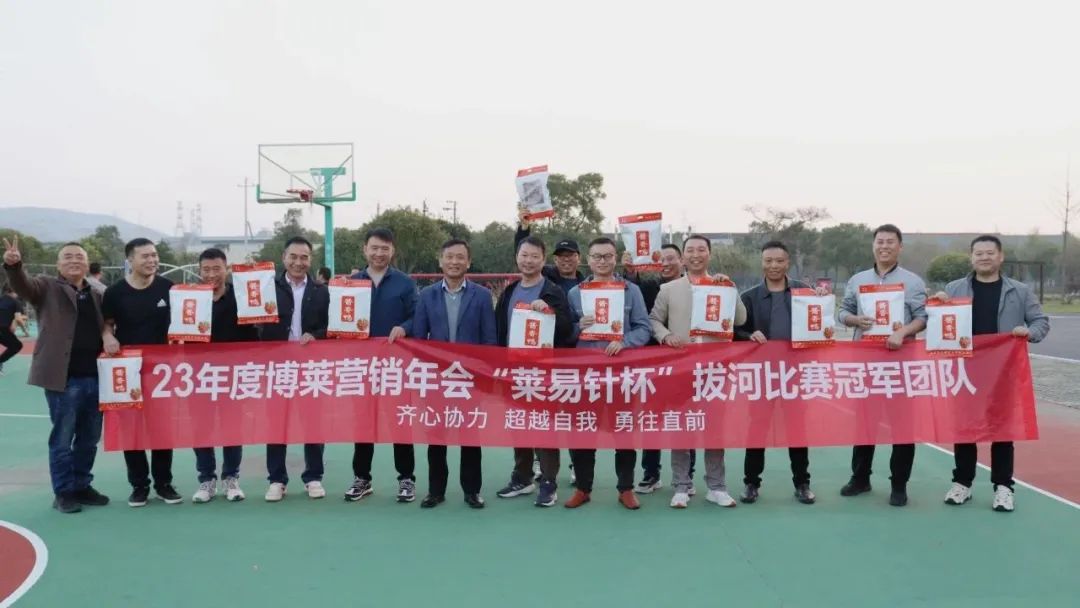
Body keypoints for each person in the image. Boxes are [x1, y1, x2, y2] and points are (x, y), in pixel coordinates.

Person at [937, 235, 1050, 512]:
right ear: (971, 257)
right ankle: (962, 483)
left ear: (1000, 257)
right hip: (965, 370)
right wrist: (937, 306)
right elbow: (938, 325)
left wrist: (1028, 332)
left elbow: (1040, 322)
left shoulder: (1019, 291)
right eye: (979, 253)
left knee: (1002, 430)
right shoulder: (954, 289)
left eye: (990, 253)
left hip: (1003, 371)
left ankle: (1003, 487)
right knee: (965, 429)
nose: (984, 258)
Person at [3, 237, 110, 513]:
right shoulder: (46, 287)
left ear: (87, 263)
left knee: (89, 438)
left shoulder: (97, 293)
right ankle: (63, 492)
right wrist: (14, 266)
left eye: (79, 257)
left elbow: (107, 325)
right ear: (58, 264)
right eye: (68, 257)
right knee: (62, 438)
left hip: (96, 376)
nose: (74, 260)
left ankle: (82, 485)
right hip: (63, 378)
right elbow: (23, 286)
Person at [651, 234, 747, 509]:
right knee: (681, 428)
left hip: (715, 369)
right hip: (681, 369)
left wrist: (730, 289)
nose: (696, 255)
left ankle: (716, 487)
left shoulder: (722, 286)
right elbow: (654, 320)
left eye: (701, 250)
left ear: (709, 254)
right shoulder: (669, 289)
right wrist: (666, 336)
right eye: (690, 250)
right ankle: (681, 486)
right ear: (683, 257)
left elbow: (741, 319)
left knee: (714, 428)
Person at [835, 224, 927, 507]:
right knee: (865, 423)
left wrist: (903, 332)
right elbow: (843, 311)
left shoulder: (913, 282)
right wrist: (854, 320)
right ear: (873, 245)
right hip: (866, 363)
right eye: (880, 242)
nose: (884, 246)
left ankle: (899, 484)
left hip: (900, 364)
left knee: (902, 427)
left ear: (900, 247)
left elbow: (923, 317)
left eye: (890, 242)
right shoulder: (858, 280)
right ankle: (860, 478)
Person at [564, 237, 652, 510]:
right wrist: (578, 326)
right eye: (597, 256)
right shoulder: (575, 293)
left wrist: (625, 341)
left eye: (607, 256)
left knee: (623, 431)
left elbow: (644, 328)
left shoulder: (631, 291)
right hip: (585, 375)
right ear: (587, 260)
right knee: (583, 430)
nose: (602, 261)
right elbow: (564, 333)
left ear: (616, 258)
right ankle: (583, 488)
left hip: (621, 374)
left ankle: (626, 488)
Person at [409, 239, 496, 509]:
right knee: (436, 437)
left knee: (470, 437)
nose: (454, 262)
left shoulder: (482, 296)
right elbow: (418, 338)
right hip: (437, 378)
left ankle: (472, 491)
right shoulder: (427, 295)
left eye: (460, 257)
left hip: (470, 378)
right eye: (449, 257)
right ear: (441, 260)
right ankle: (436, 491)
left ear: (468, 262)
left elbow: (489, 340)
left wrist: (484, 376)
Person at [493, 236, 576, 507]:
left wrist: (549, 312)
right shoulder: (509, 291)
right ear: (517, 258)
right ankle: (522, 477)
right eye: (524, 255)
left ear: (543, 260)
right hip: (514, 371)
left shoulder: (552, 291)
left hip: (544, 373)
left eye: (534, 256)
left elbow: (567, 329)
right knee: (519, 423)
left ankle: (548, 482)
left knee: (543, 427)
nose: (528, 261)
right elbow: (500, 331)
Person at [102, 238, 182, 507]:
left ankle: (164, 484)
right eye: (145, 256)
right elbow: (107, 324)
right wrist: (107, 336)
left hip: (162, 371)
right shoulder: (114, 293)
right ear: (130, 260)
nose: (152, 260)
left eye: (154, 255)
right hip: (127, 369)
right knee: (132, 429)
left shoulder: (168, 288)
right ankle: (139, 486)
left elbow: (182, 322)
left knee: (162, 428)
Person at [735, 241, 816, 505]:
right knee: (757, 428)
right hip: (762, 375)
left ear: (787, 262)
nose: (773, 266)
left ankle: (802, 483)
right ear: (762, 263)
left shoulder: (805, 293)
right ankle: (751, 483)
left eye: (779, 261)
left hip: (795, 374)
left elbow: (819, 328)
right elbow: (735, 331)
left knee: (797, 429)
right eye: (768, 261)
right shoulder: (748, 297)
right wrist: (749, 335)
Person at [344, 228, 418, 503]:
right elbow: (337, 322)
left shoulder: (405, 283)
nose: (379, 253)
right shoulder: (350, 284)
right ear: (365, 249)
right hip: (362, 368)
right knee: (363, 423)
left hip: (396, 367)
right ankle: (362, 478)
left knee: (400, 422)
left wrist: (404, 327)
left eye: (384, 249)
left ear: (392, 251)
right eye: (374, 248)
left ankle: (406, 478)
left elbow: (417, 316)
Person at [262, 237, 330, 502]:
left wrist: (316, 335)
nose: (298, 262)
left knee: (313, 423)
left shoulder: (321, 291)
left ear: (310, 260)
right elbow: (253, 324)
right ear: (284, 258)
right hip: (277, 367)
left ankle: (313, 477)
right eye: (293, 256)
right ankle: (277, 480)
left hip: (311, 368)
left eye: (304, 257)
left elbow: (331, 327)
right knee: (276, 424)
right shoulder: (267, 288)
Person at [191, 248, 258, 504]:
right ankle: (206, 480)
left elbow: (253, 338)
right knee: (201, 428)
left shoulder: (241, 297)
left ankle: (231, 478)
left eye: (216, 269)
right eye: (206, 269)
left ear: (226, 269)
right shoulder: (190, 300)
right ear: (199, 271)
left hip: (233, 376)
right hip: (199, 376)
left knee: (232, 427)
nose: (211, 274)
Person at [622, 244, 689, 493]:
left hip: (687, 364)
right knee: (652, 418)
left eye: (671, 258)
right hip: (653, 366)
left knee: (686, 419)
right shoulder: (650, 287)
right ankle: (651, 473)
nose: (666, 263)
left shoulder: (697, 287)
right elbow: (634, 291)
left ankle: (687, 476)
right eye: (662, 259)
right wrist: (631, 272)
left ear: (682, 261)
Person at [514, 207, 584, 295]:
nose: (566, 259)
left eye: (570, 255)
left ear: (579, 258)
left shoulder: (586, 284)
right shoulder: (544, 275)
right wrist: (524, 228)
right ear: (555, 259)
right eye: (561, 256)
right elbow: (524, 252)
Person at [0, 283, 24, 376]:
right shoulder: (16, 302)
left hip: (3, 330)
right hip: (3, 330)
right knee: (17, 346)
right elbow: (19, 319)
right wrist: (23, 329)